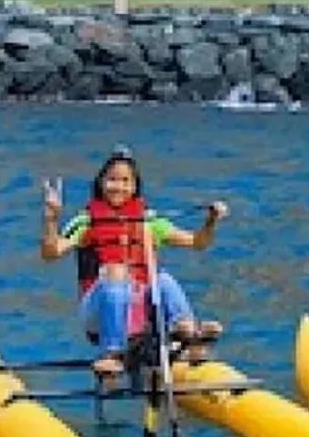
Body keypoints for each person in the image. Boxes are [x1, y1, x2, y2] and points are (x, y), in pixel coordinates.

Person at [39, 147, 228, 381]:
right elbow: (51, 253)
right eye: (112, 179)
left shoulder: (149, 221)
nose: (118, 186)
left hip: (142, 313)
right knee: (116, 271)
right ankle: (113, 352)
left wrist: (211, 221)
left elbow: (198, 243)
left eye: (126, 181)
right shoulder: (85, 222)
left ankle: (188, 334)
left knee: (161, 278)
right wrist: (51, 219)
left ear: (135, 186)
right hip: (98, 315)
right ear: (101, 183)